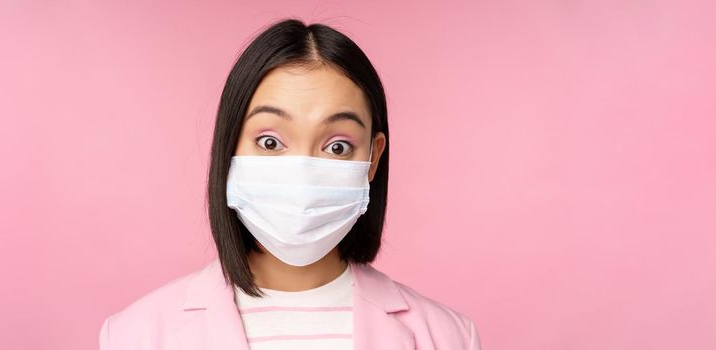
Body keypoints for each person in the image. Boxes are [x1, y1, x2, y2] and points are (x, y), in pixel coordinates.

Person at [98, 18, 482, 350]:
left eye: (337, 146)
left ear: (372, 159)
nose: (302, 173)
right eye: (270, 142)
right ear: (229, 148)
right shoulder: (135, 335)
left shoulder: (449, 337)